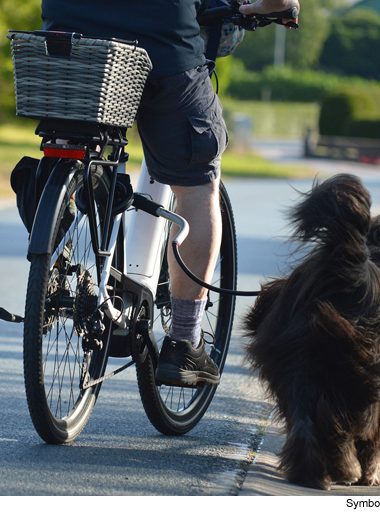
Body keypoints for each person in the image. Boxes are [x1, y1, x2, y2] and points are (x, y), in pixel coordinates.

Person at [41, 0, 300, 387]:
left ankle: (52, 263)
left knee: (75, 148)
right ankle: (184, 342)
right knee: (197, 184)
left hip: (69, 44)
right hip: (162, 47)